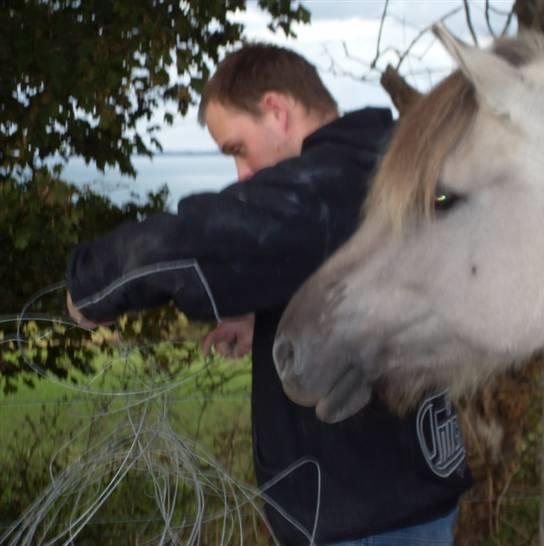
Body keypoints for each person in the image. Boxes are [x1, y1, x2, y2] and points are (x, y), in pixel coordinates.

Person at [66, 43, 470, 546]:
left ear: (277, 111)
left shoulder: (331, 183)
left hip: (367, 518)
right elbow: (348, 275)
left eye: (237, 148)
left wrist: (92, 286)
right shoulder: (389, 160)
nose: (242, 174)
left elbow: (197, 239)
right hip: (406, 493)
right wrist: (263, 318)